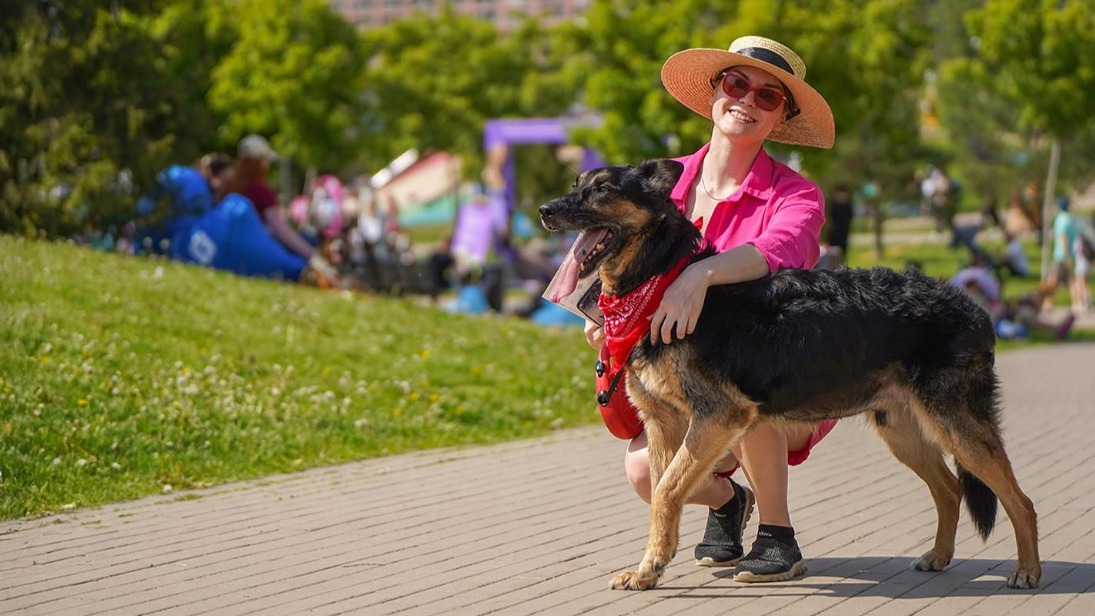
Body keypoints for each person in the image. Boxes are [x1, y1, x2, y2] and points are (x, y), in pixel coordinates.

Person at [582, 35, 838, 583]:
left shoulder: (796, 195)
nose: (747, 100)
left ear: (782, 117)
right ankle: (727, 503)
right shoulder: (659, 180)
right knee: (642, 469)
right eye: (736, 83)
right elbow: (603, 248)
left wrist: (701, 273)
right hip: (677, 378)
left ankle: (778, 536)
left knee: (746, 390)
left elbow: (781, 252)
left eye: (768, 97)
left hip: (776, 375)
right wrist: (598, 317)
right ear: (715, 91)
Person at [1044, 196, 1079, 313]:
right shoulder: (1069, 219)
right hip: (1066, 254)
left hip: (1061, 255)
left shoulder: (1060, 219)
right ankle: (1075, 303)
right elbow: (1067, 237)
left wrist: (1064, 255)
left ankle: (1049, 303)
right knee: (1068, 280)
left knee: (1055, 280)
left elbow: (1063, 236)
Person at [825, 184, 853, 266]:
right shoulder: (833, 205)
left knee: (843, 255)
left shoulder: (848, 206)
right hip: (833, 234)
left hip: (844, 233)